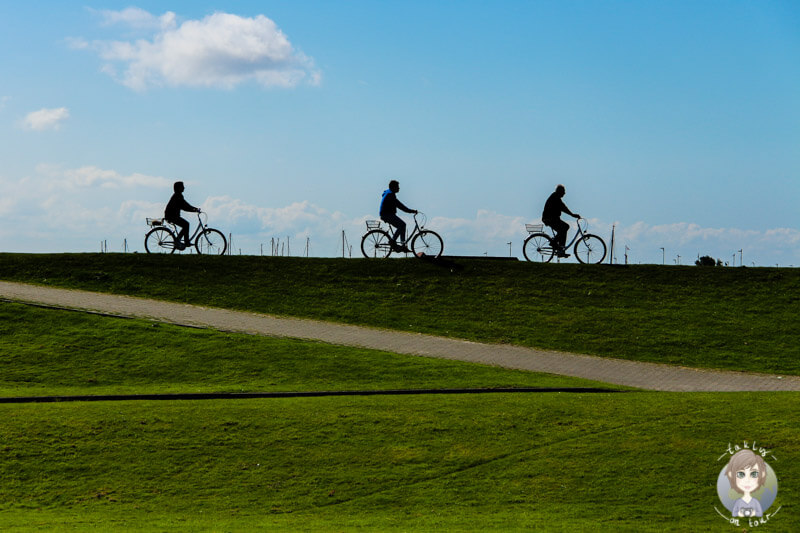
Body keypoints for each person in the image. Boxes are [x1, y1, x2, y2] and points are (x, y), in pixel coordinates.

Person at [725, 449, 767, 518]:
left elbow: (760, 513)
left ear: (762, 474)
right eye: (741, 474)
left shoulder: (755, 502)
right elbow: (734, 514)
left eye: (754, 474)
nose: (747, 480)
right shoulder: (738, 502)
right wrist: (739, 513)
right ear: (731, 475)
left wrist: (753, 513)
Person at [542, 184, 580, 257]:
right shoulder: (555, 198)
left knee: (564, 228)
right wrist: (572, 215)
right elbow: (563, 208)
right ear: (559, 191)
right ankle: (555, 244)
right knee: (564, 228)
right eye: (563, 191)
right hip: (549, 219)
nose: (564, 193)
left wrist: (572, 214)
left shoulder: (556, 197)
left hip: (552, 218)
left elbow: (563, 207)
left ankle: (561, 249)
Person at [379, 180, 417, 252]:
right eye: (397, 187)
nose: (399, 188)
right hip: (387, 215)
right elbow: (400, 206)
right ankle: (392, 241)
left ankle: (403, 245)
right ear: (393, 187)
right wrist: (411, 211)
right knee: (402, 225)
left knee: (402, 225)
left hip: (386, 214)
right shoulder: (391, 195)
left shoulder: (388, 192)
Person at [165, 181, 200, 250]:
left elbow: (185, 205)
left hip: (172, 215)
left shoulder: (178, 195)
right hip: (172, 216)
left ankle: (179, 240)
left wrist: (194, 209)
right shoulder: (178, 196)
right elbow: (184, 206)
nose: (184, 188)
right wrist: (194, 209)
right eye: (182, 186)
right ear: (179, 188)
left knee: (185, 225)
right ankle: (183, 241)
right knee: (186, 225)